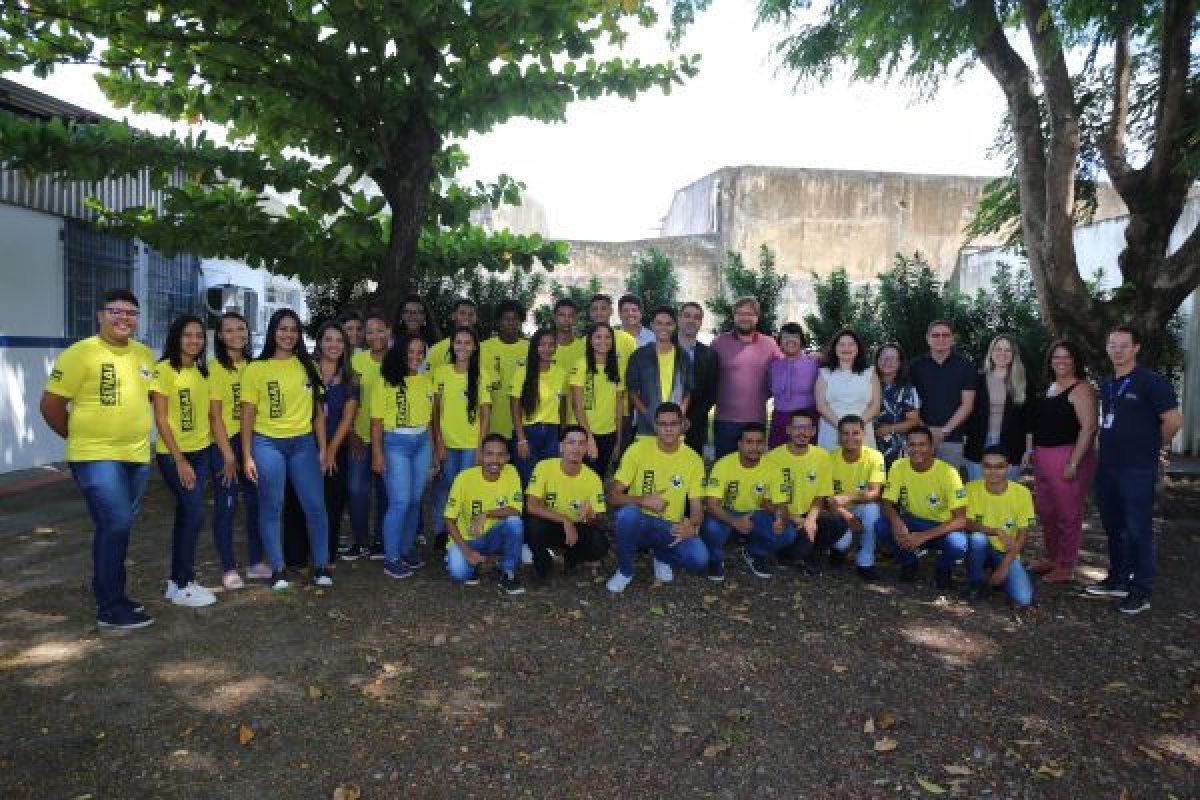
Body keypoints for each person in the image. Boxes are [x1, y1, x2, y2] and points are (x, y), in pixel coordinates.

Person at [41, 288, 158, 628]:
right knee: (116, 523)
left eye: (131, 313)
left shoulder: (144, 355)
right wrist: (78, 437)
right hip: (95, 456)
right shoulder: (80, 354)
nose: (124, 318)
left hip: (136, 455)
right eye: (116, 311)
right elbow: (50, 405)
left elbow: (149, 399)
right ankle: (110, 608)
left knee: (116, 527)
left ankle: (113, 595)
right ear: (101, 316)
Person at [1083, 326, 1182, 614]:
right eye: (1112, 345)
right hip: (1108, 466)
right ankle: (1118, 579)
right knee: (1114, 526)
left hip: (1137, 468)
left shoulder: (1152, 382)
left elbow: (1173, 420)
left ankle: (1141, 591)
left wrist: (1153, 445)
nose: (1117, 350)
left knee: (1138, 529)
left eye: (1124, 345)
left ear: (1136, 348)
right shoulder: (1108, 384)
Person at [241, 308, 333, 591]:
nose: (288, 334)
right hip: (267, 443)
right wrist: (246, 455)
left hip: (303, 444)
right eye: (283, 329)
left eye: (293, 330)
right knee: (272, 506)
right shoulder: (256, 369)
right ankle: (278, 569)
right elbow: (247, 415)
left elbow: (319, 414)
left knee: (315, 505)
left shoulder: (309, 367)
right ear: (273, 331)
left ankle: (321, 566)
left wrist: (323, 448)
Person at [151, 315, 218, 607]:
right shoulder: (163, 370)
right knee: (194, 513)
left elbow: (211, 416)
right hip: (174, 455)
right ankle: (184, 583)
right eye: (188, 335)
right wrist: (179, 459)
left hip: (201, 452)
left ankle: (176, 583)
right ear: (176, 337)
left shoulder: (203, 373)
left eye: (199, 336)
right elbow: (161, 419)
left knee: (186, 514)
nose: (194, 341)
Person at [606, 402, 708, 592]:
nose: (668, 429)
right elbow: (612, 496)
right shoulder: (637, 450)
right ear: (655, 426)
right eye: (663, 424)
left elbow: (697, 508)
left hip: (670, 526)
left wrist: (692, 526)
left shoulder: (693, 459)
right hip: (640, 521)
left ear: (682, 425)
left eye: (674, 424)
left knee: (699, 558)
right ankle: (625, 571)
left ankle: (661, 556)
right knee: (627, 515)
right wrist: (643, 500)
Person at [282, 321, 358, 567]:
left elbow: (347, 418)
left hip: (337, 448)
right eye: (328, 340)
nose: (334, 345)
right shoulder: (305, 371)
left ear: (345, 346)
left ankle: (325, 557)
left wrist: (330, 452)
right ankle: (296, 557)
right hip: (302, 445)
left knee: (331, 502)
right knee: (297, 501)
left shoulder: (351, 378)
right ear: (319, 343)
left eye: (339, 340)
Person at [1027, 340, 1097, 583]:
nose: (1061, 361)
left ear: (1075, 361)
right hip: (1042, 456)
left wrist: (1074, 463)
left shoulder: (1081, 389)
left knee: (1068, 513)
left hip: (1067, 456)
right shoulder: (1050, 387)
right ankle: (1052, 557)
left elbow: (1089, 428)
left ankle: (1066, 566)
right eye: (1056, 357)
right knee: (1047, 511)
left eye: (1067, 357)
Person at [371, 332, 439, 579]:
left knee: (414, 500)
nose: (416, 356)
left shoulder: (426, 381)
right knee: (400, 502)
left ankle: (406, 548)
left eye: (420, 352)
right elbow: (376, 422)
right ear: (401, 352)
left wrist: (434, 451)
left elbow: (430, 421)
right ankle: (391, 558)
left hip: (421, 443)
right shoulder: (385, 381)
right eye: (411, 351)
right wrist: (377, 454)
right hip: (395, 444)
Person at [207, 311, 268, 584]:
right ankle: (229, 568)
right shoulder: (214, 368)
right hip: (226, 444)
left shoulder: (256, 366)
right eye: (229, 330)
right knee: (227, 505)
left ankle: (256, 562)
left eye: (241, 329)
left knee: (256, 504)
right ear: (220, 336)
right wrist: (228, 455)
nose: (236, 335)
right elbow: (214, 416)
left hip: (253, 441)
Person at [875, 426, 968, 587]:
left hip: (941, 527)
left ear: (932, 447)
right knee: (882, 527)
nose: (917, 449)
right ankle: (909, 562)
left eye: (922, 444)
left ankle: (942, 568)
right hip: (912, 522)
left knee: (959, 544)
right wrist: (897, 522)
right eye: (912, 445)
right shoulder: (898, 466)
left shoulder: (949, 473)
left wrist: (923, 536)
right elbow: (887, 502)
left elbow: (961, 520)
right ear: (906, 447)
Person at [700, 422, 794, 581]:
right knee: (710, 527)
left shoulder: (773, 468)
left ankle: (754, 553)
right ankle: (715, 560)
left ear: (765, 445)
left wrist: (781, 517)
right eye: (749, 442)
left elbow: (781, 504)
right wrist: (735, 521)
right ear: (740, 444)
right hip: (726, 514)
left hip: (754, 516)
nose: (754, 447)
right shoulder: (723, 464)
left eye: (759, 442)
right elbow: (711, 505)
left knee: (788, 533)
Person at [523, 426, 611, 585]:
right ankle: (544, 567)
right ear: (561, 447)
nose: (576, 448)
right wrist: (565, 520)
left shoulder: (593, 479)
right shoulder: (544, 467)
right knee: (532, 526)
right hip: (548, 523)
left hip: (576, 528)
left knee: (600, 544)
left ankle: (571, 558)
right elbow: (531, 506)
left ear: (586, 448)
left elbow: (594, 521)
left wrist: (590, 515)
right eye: (571, 442)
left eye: (581, 443)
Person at [443, 433, 526, 594]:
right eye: (489, 454)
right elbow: (448, 519)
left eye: (500, 455)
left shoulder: (511, 472)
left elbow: (516, 510)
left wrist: (486, 514)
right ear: (480, 455)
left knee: (515, 522)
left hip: (493, 536)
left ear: (508, 457)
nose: (495, 460)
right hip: (468, 539)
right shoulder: (464, 478)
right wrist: (467, 552)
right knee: (459, 573)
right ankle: (473, 561)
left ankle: (508, 572)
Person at [432, 326, 492, 547]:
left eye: (468, 343)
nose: (463, 347)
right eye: (458, 342)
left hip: (470, 445)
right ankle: (441, 532)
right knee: (444, 487)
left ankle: (462, 534)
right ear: (452, 345)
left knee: (464, 488)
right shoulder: (441, 373)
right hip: (446, 443)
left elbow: (485, 414)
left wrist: (480, 447)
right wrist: (438, 443)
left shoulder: (481, 375)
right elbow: (434, 412)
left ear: (475, 347)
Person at [766, 411, 842, 575]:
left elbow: (821, 495)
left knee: (837, 522)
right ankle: (786, 554)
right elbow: (764, 501)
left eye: (807, 428)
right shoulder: (772, 458)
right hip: (783, 513)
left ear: (813, 431)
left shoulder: (822, 456)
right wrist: (793, 518)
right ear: (788, 430)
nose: (802, 432)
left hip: (808, 513)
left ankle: (814, 553)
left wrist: (810, 520)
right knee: (795, 547)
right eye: (797, 427)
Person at [963, 446, 1035, 607]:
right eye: (988, 466)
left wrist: (1004, 567)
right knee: (977, 539)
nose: (993, 472)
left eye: (999, 466)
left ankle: (1001, 573)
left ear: (1009, 467)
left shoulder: (1022, 493)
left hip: (1006, 551)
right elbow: (966, 523)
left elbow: (1022, 535)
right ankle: (975, 583)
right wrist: (996, 531)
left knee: (1023, 600)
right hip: (980, 547)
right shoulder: (971, 488)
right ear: (981, 467)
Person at [710, 296, 781, 459]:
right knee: (724, 466)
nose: (745, 318)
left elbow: (785, 368)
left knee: (754, 468)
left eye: (749, 314)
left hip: (756, 420)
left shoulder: (769, 344)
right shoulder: (718, 343)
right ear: (734, 316)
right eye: (740, 313)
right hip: (724, 421)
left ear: (757, 317)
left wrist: (813, 358)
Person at [345, 309, 391, 560]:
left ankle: (382, 540)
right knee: (356, 490)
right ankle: (360, 539)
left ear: (389, 332)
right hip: (360, 438)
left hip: (389, 440)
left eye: (380, 330)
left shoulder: (397, 360)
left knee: (386, 492)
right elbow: (348, 400)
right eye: (369, 331)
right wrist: (351, 431)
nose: (375, 336)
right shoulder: (356, 361)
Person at [908, 320, 976, 469]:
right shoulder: (915, 367)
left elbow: (967, 405)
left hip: (952, 438)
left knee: (949, 481)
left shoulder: (966, 366)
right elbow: (910, 405)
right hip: (919, 438)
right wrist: (926, 430)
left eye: (945, 335)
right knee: (918, 480)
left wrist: (944, 431)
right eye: (936, 335)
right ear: (928, 338)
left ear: (952, 339)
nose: (941, 339)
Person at [827, 415, 887, 582]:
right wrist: (848, 516)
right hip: (838, 510)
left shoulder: (875, 456)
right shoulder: (829, 458)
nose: (850, 438)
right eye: (845, 433)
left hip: (861, 504)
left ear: (863, 435)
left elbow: (875, 493)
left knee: (873, 510)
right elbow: (826, 498)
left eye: (855, 433)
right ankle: (838, 551)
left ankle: (865, 562)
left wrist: (849, 497)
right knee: (842, 542)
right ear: (838, 436)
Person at [963, 334, 1028, 481]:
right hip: (978, 444)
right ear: (991, 352)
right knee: (978, 489)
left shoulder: (1022, 382)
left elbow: (1028, 420)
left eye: (1007, 350)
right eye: (998, 349)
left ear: (1013, 355)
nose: (1002, 353)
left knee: (1006, 490)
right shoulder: (978, 379)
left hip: (1011, 445)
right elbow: (968, 413)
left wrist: (1028, 449)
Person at [625, 306, 693, 438]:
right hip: (647, 427)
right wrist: (650, 417)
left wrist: (679, 416)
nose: (663, 328)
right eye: (659, 323)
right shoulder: (639, 356)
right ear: (652, 325)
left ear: (675, 326)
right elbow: (632, 391)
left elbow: (687, 391)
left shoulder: (683, 356)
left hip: (675, 428)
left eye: (668, 324)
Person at [509, 329, 566, 486]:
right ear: (535, 347)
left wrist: (562, 437)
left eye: (551, 345)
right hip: (528, 432)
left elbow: (562, 406)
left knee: (549, 479)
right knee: (529, 480)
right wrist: (521, 439)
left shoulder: (560, 373)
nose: (547, 349)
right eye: (542, 345)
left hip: (552, 433)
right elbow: (514, 407)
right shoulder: (522, 372)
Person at [569, 322, 625, 476]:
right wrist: (589, 438)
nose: (603, 341)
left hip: (609, 434)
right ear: (590, 340)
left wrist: (618, 441)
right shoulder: (581, 365)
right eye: (598, 337)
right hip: (583, 433)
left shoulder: (617, 367)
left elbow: (619, 406)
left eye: (607, 337)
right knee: (579, 478)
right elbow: (577, 406)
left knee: (598, 479)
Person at [815, 328, 880, 450]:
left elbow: (875, 406)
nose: (846, 348)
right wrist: (842, 427)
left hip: (862, 430)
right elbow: (821, 406)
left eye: (851, 344)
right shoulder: (825, 373)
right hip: (831, 430)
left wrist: (856, 427)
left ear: (858, 348)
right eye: (842, 344)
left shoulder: (870, 372)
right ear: (835, 348)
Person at [481, 299, 528, 444]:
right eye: (506, 319)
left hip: (523, 426)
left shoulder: (530, 348)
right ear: (498, 321)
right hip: (491, 424)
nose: (511, 323)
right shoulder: (483, 348)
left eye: (515, 319)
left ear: (520, 322)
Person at [677, 301, 720, 456]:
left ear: (701, 322)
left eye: (696, 317)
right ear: (679, 319)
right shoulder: (662, 347)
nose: (691, 320)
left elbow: (712, 393)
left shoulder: (710, 355)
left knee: (691, 465)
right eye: (687, 315)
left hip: (694, 425)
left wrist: (690, 420)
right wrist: (669, 419)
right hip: (662, 422)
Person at [767, 323, 819, 448]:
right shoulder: (773, 365)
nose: (790, 340)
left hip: (806, 421)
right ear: (780, 342)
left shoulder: (814, 363)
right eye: (785, 337)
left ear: (802, 341)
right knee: (778, 456)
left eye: (795, 336)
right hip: (780, 420)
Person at [874, 343, 921, 469]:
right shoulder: (866, 384)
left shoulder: (907, 389)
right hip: (867, 445)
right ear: (877, 360)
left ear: (900, 363)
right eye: (883, 357)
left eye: (892, 358)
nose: (887, 361)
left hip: (896, 449)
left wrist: (889, 429)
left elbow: (914, 421)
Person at [588, 293, 638, 365]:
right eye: (594, 309)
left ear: (611, 311)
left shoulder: (627, 340)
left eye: (603, 308)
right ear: (590, 313)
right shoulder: (583, 343)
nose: (599, 313)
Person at [426, 297, 477, 368]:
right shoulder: (436, 350)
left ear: (475, 318)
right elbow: (425, 375)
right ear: (453, 316)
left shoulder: (483, 350)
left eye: (471, 314)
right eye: (462, 313)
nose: (467, 317)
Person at [550, 297, 586, 379]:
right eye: (562, 315)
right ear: (554, 317)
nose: (566, 319)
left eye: (571, 316)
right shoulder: (544, 348)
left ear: (576, 319)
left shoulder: (585, 348)